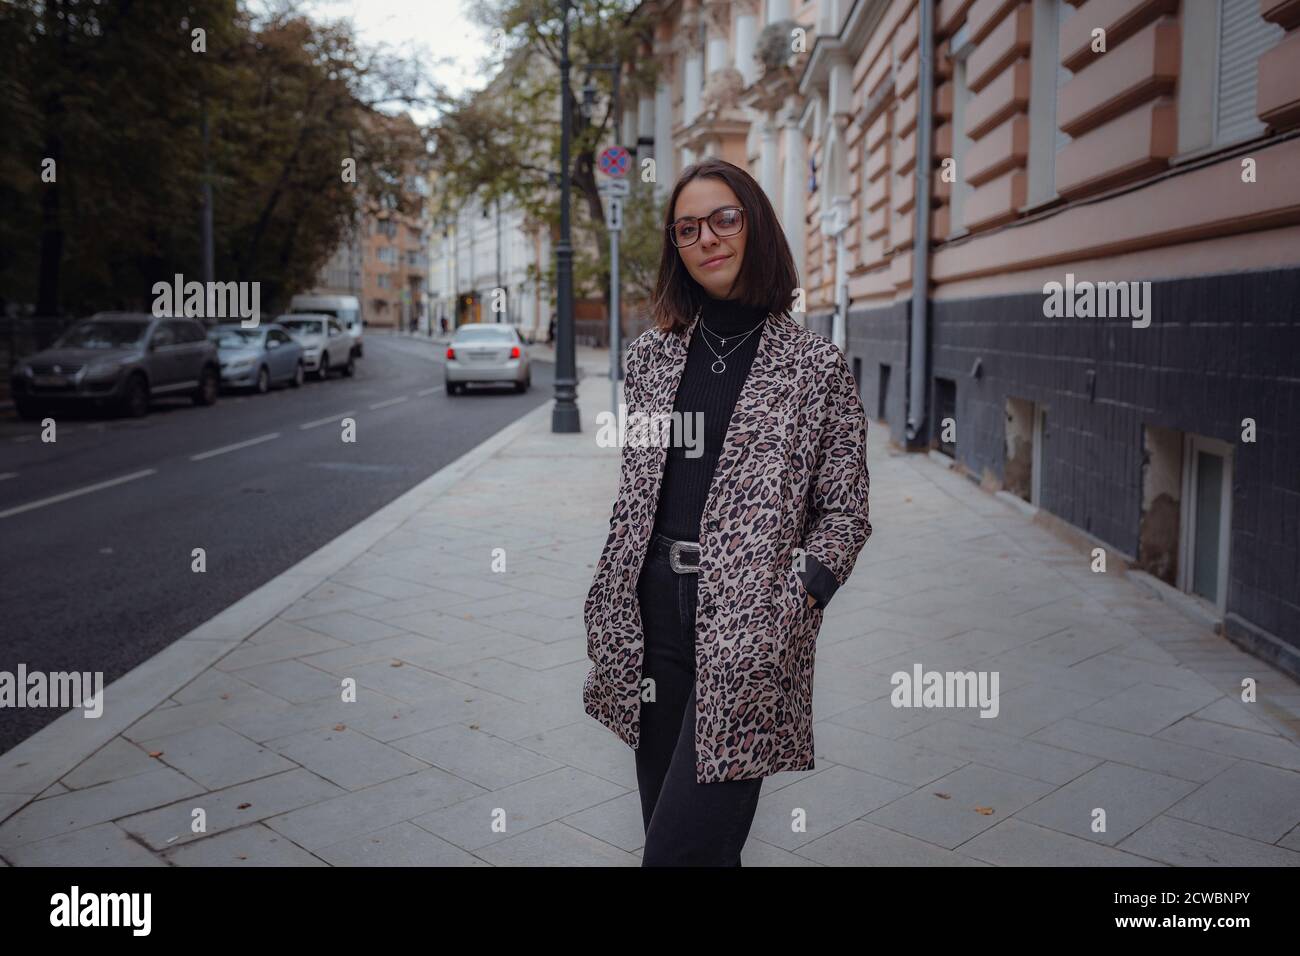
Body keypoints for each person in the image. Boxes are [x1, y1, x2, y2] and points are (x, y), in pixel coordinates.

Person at [582, 158, 872, 866]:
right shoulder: (650, 357)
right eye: (687, 228)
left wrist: (798, 597)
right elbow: (641, 484)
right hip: (650, 611)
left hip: (750, 619)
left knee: (676, 854)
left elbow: (845, 512)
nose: (707, 238)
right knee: (684, 842)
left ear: (755, 227)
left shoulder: (815, 367)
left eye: (724, 219)